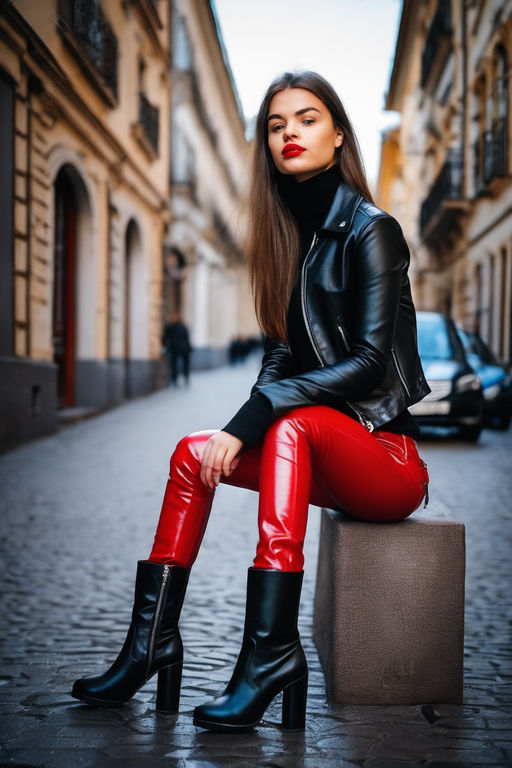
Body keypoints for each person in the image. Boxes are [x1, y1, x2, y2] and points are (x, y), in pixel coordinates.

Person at [71, 71, 430, 733]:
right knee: (191, 454)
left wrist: (258, 417)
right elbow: (280, 353)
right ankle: (150, 646)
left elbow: (371, 364)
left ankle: (269, 653)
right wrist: (244, 420)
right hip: (320, 448)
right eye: (275, 123)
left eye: (308, 117)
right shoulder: (288, 237)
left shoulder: (370, 230)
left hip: (387, 459)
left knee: (292, 427)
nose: (290, 131)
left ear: (339, 134)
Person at [162, 313, 191, 386]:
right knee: (174, 364)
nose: (173, 319)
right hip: (175, 348)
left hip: (183, 348)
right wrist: (164, 345)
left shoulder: (183, 327)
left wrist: (188, 346)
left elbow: (187, 338)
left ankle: (185, 377)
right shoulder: (171, 327)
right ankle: (174, 379)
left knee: (185, 364)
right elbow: (165, 337)